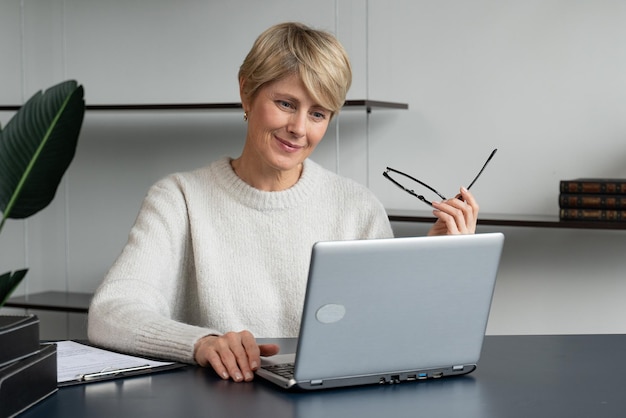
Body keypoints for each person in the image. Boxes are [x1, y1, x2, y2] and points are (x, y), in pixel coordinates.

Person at [87, 22, 479, 384]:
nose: (299, 129)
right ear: (246, 91)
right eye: (286, 104)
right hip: (218, 403)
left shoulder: (357, 208)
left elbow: (392, 335)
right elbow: (110, 313)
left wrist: (439, 259)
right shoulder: (179, 199)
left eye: (319, 113)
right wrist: (202, 342)